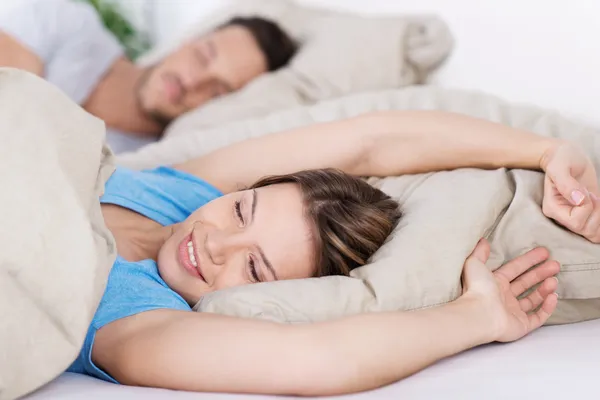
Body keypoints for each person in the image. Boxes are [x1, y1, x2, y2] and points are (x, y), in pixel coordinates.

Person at [63, 109, 600, 395]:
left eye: (254, 267)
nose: (213, 244)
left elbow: (319, 360)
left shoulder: (132, 323)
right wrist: (546, 150)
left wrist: (475, 316)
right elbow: (371, 139)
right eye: (242, 211)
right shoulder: (185, 197)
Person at [0, 0, 297, 153]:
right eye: (203, 57)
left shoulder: (140, 163)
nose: (192, 82)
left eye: (217, 91)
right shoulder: (66, 25)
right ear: (187, 42)